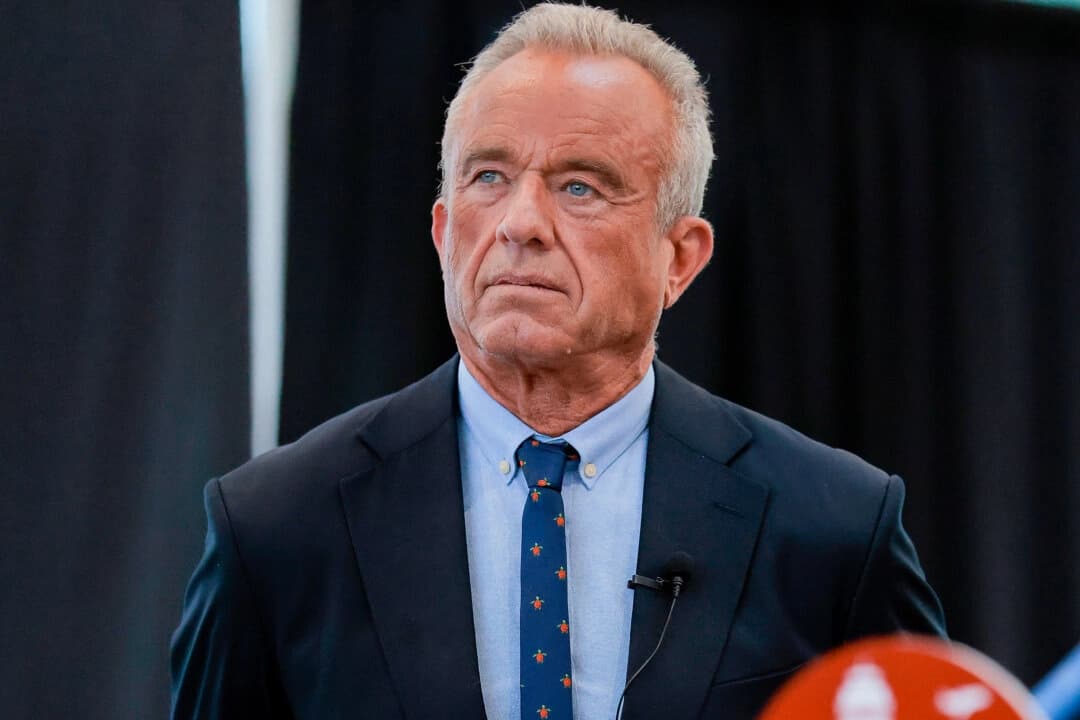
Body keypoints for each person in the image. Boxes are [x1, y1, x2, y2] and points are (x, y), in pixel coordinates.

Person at [170, 4, 945, 719]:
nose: (520, 223)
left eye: (580, 186)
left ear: (680, 259)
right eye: (489, 177)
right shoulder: (275, 527)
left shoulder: (833, 527)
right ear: (443, 233)